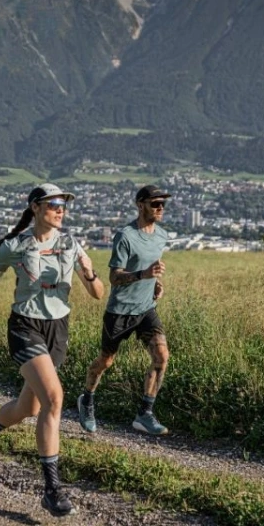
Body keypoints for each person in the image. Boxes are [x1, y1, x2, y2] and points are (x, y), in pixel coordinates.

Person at [0, 183, 104, 517]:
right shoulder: (17, 245)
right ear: (35, 208)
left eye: (63, 205)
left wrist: (91, 275)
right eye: (53, 204)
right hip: (25, 326)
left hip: (57, 329)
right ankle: (51, 489)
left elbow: (98, 293)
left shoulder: (72, 244)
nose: (60, 209)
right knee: (55, 398)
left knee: (27, 408)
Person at [77, 184, 171, 436]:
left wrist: (155, 284)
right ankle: (87, 399)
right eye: (155, 203)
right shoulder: (125, 236)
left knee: (161, 357)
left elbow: (151, 270)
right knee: (106, 361)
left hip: (146, 309)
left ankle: (145, 414)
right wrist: (143, 275)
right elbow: (115, 277)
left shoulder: (161, 235)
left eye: (163, 204)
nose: (160, 208)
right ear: (140, 205)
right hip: (120, 311)